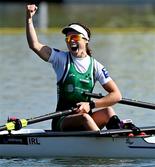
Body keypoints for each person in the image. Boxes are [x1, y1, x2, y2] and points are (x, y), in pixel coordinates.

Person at [26, 4, 122, 132]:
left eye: (75, 37)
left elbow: (116, 96)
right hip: (63, 120)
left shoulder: (96, 66)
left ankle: (122, 138)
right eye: (68, 38)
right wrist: (29, 19)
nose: (70, 41)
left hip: (85, 117)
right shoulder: (61, 59)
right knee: (85, 118)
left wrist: (91, 104)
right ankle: (107, 146)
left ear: (86, 40)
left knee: (109, 112)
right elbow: (35, 45)